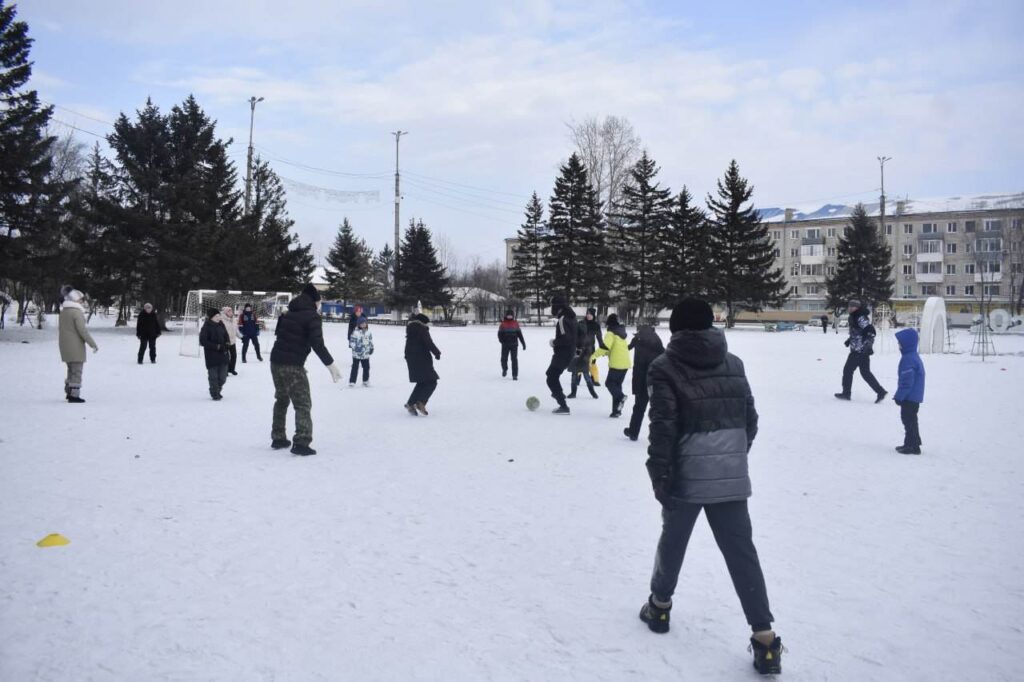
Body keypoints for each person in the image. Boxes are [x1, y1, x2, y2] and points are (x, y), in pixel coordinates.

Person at [639, 299, 782, 675]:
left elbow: (663, 428)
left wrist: (659, 474)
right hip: (731, 475)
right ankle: (765, 640)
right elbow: (750, 421)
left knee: (673, 542)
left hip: (686, 477)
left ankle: (659, 607)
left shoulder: (663, 367)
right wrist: (730, 458)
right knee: (742, 554)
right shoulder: (734, 363)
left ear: (676, 329)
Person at [269, 283, 342, 455]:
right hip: (292, 365)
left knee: (281, 399)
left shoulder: (289, 312)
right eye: (319, 301)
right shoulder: (312, 316)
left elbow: (280, 334)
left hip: (276, 361)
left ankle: (278, 437)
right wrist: (330, 364)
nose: (319, 304)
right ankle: (301, 442)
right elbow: (317, 344)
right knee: (303, 403)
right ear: (314, 301)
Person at [834, 299, 887, 403]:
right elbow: (858, 332)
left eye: (852, 306)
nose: (850, 308)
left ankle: (846, 393)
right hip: (860, 349)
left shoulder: (860, 317)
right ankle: (880, 391)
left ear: (857, 308)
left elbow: (870, 331)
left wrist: (868, 345)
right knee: (865, 373)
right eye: (849, 306)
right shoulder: (855, 316)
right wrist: (850, 340)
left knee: (848, 370)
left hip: (859, 350)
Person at [624, 323, 664, 441]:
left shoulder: (639, 341)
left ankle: (633, 432)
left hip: (642, 380)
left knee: (639, 407)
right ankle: (659, 436)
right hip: (655, 380)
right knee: (658, 409)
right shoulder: (657, 341)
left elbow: (628, 348)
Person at [58, 288, 98, 403]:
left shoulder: (64, 312)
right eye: (80, 299)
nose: (82, 302)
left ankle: (69, 392)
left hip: (64, 345)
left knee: (71, 369)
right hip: (75, 346)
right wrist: (92, 344)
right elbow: (82, 330)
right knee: (76, 371)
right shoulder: (76, 312)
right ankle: (74, 395)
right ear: (74, 299)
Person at [893, 328, 925, 455]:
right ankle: (912, 444)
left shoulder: (908, 359)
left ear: (907, 344)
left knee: (908, 421)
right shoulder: (912, 356)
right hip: (913, 396)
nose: (898, 345)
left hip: (909, 397)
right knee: (911, 421)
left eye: (900, 343)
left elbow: (907, 382)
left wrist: (899, 396)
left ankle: (912, 446)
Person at [592, 313, 631, 417]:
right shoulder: (621, 332)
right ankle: (616, 411)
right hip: (625, 363)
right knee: (617, 386)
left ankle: (621, 397)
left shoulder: (611, 333)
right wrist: (606, 353)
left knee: (610, 383)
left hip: (617, 363)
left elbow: (605, 347)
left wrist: (593, 356)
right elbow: (613, 347)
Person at [404, 313, 441, 415]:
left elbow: (407, 346)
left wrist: (408, 358)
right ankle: (421, 402)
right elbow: (429, 342)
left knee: (422, 382)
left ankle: (410, 403)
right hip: (422, 359)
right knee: (432, 381)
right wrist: (437, 353)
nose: (427, 325)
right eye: (427, 323)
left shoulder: (411, 329)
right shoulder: (422, 329)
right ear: (423, 322)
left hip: (412, 359)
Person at [545, 295, 577, 415]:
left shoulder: (563, 319)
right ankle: (559, 394)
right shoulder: (571, 317)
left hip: (564, 353)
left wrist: (554, 342)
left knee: (551, 378)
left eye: (552, 305)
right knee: (551, 375)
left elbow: (566, 339)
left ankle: (563, 404)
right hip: (568, 352)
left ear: (557, 307)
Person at [199, 308, 230, 401]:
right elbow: (203, 341)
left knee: (223, 378)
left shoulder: (221, 324)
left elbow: (226, 335)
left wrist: (227, 343)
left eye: (219, 315)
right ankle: (214, 393)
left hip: (223, 354)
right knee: (213, 377)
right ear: (211, 317)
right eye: (216, 316)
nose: (219, 317)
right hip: (211, 356)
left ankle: (217, 389)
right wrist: (217, 346)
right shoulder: (206, 327)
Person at [568, 308, 600, 399]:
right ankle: (573, 392)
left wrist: (602, 348)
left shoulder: (595, 325)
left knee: (587, 371)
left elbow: (599, 338)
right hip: (578, 350)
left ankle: (593, 390)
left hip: (589, 351)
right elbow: (574, 336)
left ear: (593, 315)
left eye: (590, 314)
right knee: (574, 372)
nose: (588, 315)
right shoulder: (581, 323)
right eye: (587, 314)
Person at [497, 309, 526, 380]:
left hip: (514, 345)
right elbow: (499, 334)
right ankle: (504, 369)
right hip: (505, 345)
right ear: (506, 316)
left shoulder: (515, 324)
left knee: (514, 360)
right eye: (508, 315)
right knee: (504, 359)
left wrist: (523, 343)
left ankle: (515, 375)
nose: (509, 317)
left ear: (513, 316)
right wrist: (502, 341)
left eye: (511, 315)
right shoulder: (503, 324)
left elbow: (520, 335)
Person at [348, 316, 374, 387]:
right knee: (355, 368)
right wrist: (356, 348)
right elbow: (351, 342)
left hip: (365, 354)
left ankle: (365, 381)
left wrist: (371, 348)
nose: (363, 325)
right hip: (356, 354)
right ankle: (352, 381)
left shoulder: (368, 333)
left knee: (366, 368)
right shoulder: (355, 333)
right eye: (362, 323)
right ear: (359, 324)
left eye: (365, 323)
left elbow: (370, 341)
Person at [221, 306, 239, 376]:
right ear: (225, 312)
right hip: (225, 342)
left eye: (231, 311)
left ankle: (232, 369)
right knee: (226, 357)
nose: (231, 312)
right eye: (229, 311)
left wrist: (241, 337)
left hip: (233, 341)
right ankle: (225, 370)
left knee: (234, 356)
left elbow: (236, 330)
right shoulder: (221, 320)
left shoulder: (234, 320)